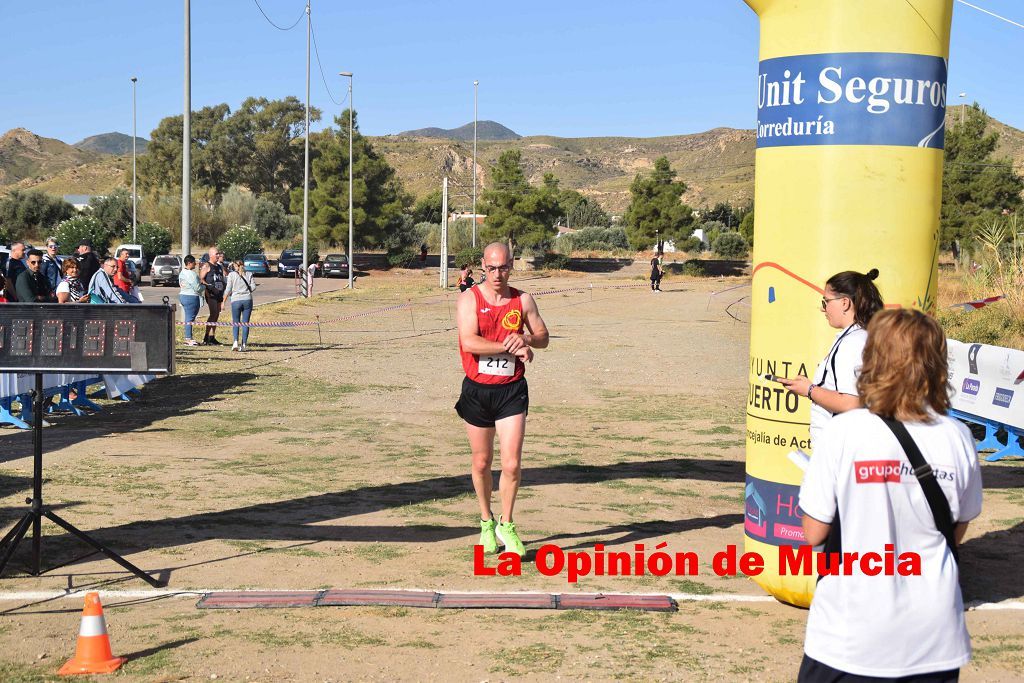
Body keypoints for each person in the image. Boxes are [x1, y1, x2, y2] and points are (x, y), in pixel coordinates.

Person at [797, 309, 982, 682]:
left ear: (872, 360)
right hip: (934, 635)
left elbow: (814, 534)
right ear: (936, 363)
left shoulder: (844, 432)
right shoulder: (957, 435)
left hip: (850, 634)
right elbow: (956, 529)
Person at [455, 242, 549, 557]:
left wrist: (526, 338)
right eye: (492, 268)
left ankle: (506, 524)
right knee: (482, 462)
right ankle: (486, 521)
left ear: (512, 266)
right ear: (483, 265)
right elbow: (469, 342)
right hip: (478, 390)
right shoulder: (469, 299)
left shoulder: (523, 300)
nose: (497, 274)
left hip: (511, 390)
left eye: (503, 267)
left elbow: (543, 337)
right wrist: (510, 347)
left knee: (511, 463)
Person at [780, 269, 884, 448]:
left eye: (826, 301)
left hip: (840, 451)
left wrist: (809, 390)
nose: (823, 308)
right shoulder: (862, 336)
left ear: (845, 303)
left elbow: (850, 402)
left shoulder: (852, 343)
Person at [225, 259, 256, 351]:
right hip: (247, 299)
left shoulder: (231, 275)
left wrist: (224, 300)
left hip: (235, 300)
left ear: (235, 266)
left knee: (236, 322)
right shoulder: (249, 274)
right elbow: (253, 287)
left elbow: (228, 289)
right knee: (245, 323)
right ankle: (243, 345)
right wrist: (247, 290)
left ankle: (235, 342)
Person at [200, 247, 227, 344]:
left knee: (216, 315)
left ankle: (212, 337)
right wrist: (209, 287)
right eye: (216, 254)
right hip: (211, 294)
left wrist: (224, 287)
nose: (218, 255)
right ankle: (206, 337)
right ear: (211, 255)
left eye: (218, 254)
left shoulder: (219, 266)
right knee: (213, 313)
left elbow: (222, 278)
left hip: (219, 293)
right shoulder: (207, 265)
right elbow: (201, 279)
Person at [178, 255, 204, 346]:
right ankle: (188, 338)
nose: (195, 264)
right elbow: (197, 288)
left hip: (183, 295)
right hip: (191, 297)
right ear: (189, 263)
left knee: (188, 317)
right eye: (194, 262)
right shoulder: (191, 274)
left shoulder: (182, 273)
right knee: (189, 318)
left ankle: (189, 337)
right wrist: (205, 286)